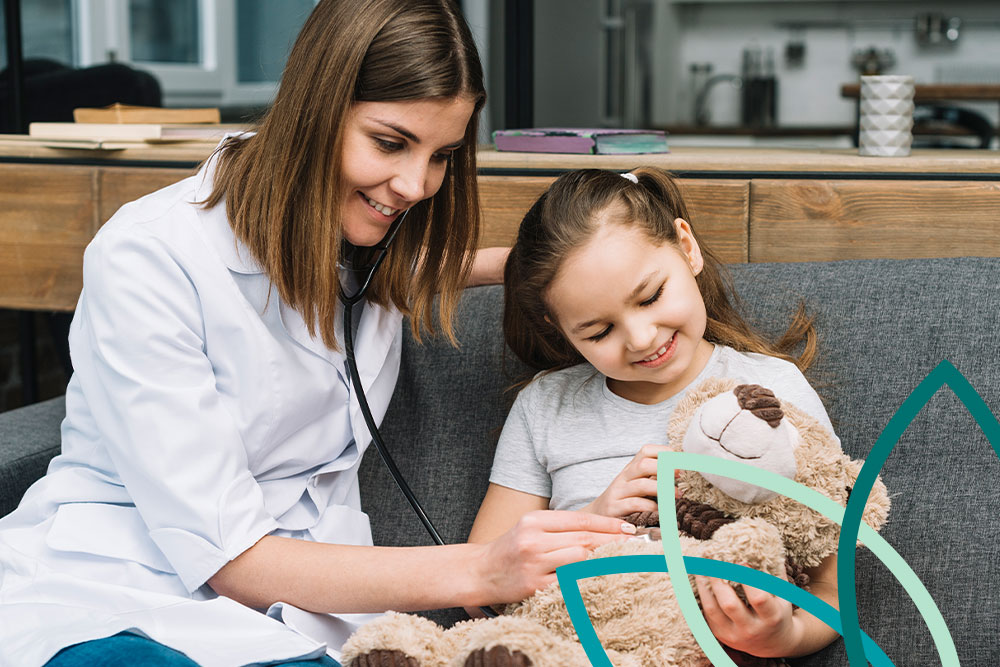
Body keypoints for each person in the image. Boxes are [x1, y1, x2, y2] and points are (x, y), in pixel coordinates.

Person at [0, 3, 635, 666]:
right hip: (115, 592)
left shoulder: (357, 255)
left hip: (292, 618)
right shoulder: (148, 257)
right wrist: (483, 568)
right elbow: (234, 559)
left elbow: (427, 271)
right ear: (314, 112)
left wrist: (582, 253)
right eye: (390, 142)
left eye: (441, 155)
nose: (415, 185)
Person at [468, 167, 840, 661]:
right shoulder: (546, 405)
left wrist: (784, 637)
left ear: (686, 246)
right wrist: (593, 520)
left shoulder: (774, 390)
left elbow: (833, 589)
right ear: (558, 329)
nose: (641, 338)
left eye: (651, 297)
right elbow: (479, 586)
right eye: (599, 332)